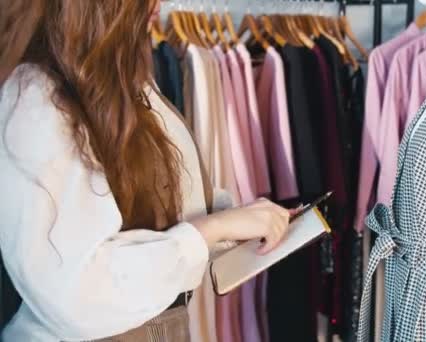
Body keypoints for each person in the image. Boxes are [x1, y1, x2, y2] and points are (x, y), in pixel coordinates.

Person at [0, 0, 292, 341]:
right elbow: (77, 292)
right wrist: (212, 228)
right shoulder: (36, 102)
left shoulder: (127, 83)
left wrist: (236, 223)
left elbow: (167, 207)